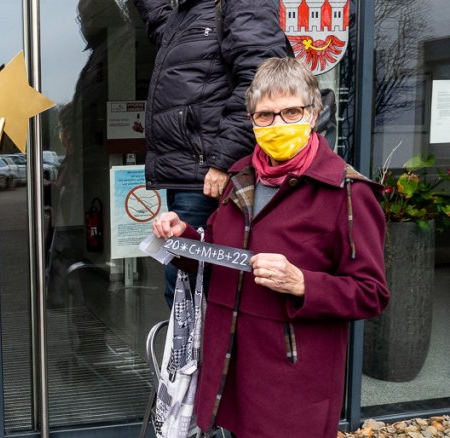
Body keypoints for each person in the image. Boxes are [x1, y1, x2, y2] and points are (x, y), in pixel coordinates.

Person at [151, 58, 389, 437]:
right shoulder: (238, 177)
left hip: (292, 382)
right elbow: (218, 257)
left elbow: (371, 294)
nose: (278, 125)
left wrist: (302, 283)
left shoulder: (347, 193)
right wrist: (183, 240)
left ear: (313, 114)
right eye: (265, 115)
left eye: (290, 111)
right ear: (251, 121)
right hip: (232, 368)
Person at [135, 0, 293, 305]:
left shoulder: (241, 4)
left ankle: (208, 354)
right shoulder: (189, 13)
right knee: (183, 291)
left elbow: (260, 83)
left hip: (209, 177)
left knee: (193, 295)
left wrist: (224, 161)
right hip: (188, 174)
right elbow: (159, 23)